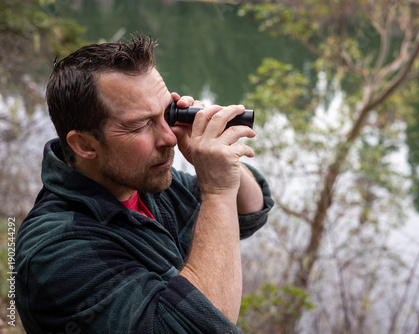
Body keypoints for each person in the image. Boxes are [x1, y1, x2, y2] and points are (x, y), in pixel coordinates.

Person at [15, 34, 274, 333]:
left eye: (168, 114)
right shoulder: (56, 251)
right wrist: (217, 191)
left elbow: (249, 213)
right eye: (140, 124)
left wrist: (220, 166)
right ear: (85, 145)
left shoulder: (144, 185)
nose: (168, 138)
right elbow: (198, 327)